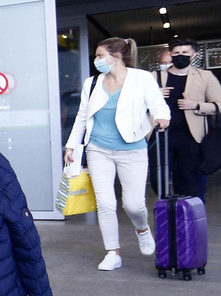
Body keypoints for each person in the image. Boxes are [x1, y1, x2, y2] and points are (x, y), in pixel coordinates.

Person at [64, 38, 170, 271]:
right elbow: (82, 117)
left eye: (100, 56)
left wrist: (163, 117)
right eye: (95, 56)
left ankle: (142, 228)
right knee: (105, 203)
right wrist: (71, 146)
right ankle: (112, 252)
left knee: (133, 204)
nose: (96, 61)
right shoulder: (92, 83)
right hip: (98, 150)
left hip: (132, 149)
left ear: (116, 56)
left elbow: (157, 104)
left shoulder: (141, 79)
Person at [158, 37, 221, 201]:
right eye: (176, 53)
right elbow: (136, 104)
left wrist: (195, 105)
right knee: (158, 181)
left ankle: (192, 218)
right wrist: (154, 95)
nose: (180, 56)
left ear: (193, 55)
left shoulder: (205, 76)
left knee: (191, 181)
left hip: (192, 138)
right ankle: (169, 216)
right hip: (161, 137)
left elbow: (220, 105)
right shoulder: (155, 77)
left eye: (184, 52)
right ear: (170, 54)